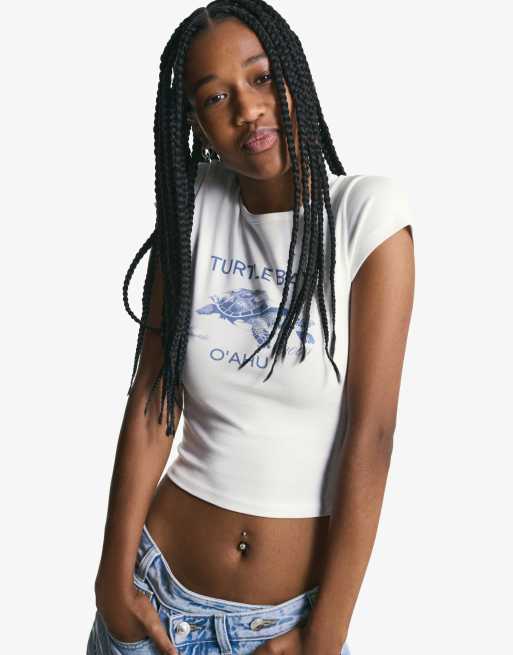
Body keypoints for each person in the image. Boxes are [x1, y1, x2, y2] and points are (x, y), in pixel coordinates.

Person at [86, 1, 415, 654]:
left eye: (261, 78)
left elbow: (371, 437)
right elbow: (153, 399)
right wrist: (111, 583)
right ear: (195, 122)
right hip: (155, 602)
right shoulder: (193, 207)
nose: (247, 109)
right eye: (215, 97)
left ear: (295, 76)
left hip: (284, 631)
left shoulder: (366, 217)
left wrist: (324, 637)